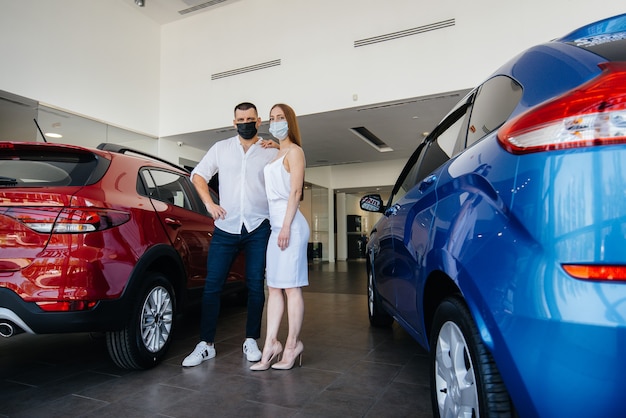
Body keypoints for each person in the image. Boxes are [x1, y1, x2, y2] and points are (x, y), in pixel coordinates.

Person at [182, 102, 278, 367]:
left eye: (249, 119)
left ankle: (251, 340)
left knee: (255, 284)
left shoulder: (269, 151)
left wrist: (281, 148)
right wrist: (209, 204)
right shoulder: (220, 149)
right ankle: (206, 344)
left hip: (258, 226)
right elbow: (198, 175)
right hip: (226, 228)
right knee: (212, 286)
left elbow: (289, 174)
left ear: (258, 121)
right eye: (240, 120)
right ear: (234, 122)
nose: (244, 123)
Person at [250, 103, 309, 371]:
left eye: (280, 117)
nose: (275, 121)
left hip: (290, 225)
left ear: (290, 121)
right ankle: (271, 343)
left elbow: (295, 192)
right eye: (272, 118)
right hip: (276, 225)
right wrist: (275, 146)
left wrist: (285, 227)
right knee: (273, 287)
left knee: (291, 287)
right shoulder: (278, 152)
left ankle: (292, 344)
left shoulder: (296, 152)